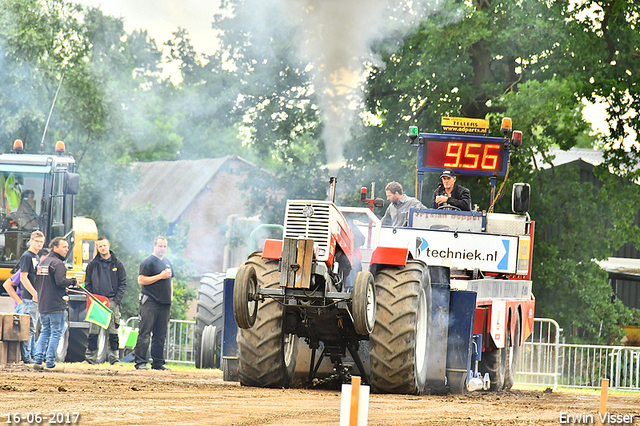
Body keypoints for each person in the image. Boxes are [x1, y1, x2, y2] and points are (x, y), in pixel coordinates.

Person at [33, 237, 77, 372]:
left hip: (43, 304)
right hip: (56, 304)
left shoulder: (42, 262)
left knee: (45, 331)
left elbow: (40, 282)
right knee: (56, 332)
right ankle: (50, 363)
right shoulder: (58, 263)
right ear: (55, 247)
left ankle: (38, 360)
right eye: (64, 247)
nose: (67, 249)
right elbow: (60, 281)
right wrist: (72, 282)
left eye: (67, 247)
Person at [83, 237, 127, 365]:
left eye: (104, 245)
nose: (103, 248)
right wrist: (92, 297)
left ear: (108, 246)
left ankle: (114, 359)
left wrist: (117, 300)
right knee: (93, 331)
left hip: (112, 301)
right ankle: (90, 359)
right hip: (97, 302)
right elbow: (88, 283)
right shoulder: (92, 264)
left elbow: (123, 283)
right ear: (97, 248)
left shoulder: (117, 264)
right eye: (100, 246)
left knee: (113, 332)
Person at [134, 236, 174, 371]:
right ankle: (140, 362)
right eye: (160, 246)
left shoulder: (168, 262)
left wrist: (171, 296)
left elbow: (170, 281)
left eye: (164, 247)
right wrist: (159, 276)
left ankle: (158, 363)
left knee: (160, 335)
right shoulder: (147, 262)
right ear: (154, 246)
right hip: (150, 302)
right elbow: (141, 280)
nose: (162, 249)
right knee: (145, 332)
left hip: (165, 303)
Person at [17, 230, 45, 363]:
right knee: (28, 327)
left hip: (36, 298)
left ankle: (32, 354)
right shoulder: (27, 256)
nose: (39, 244)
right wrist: (34, 293)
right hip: (30, 298)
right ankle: (26, 356)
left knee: (34, 328)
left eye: (41, 242)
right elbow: (23, 277)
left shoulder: (36, 257)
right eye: (37, 241)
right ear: (31, 241)